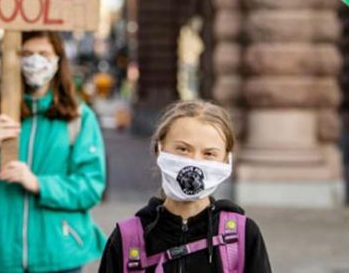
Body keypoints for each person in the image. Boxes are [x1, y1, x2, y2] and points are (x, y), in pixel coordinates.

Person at [0, 30, 107, 273]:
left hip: (60, 253)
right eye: (27, 53)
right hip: (4, 252)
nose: (34, 60)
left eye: (43, 53)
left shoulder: (79, 116)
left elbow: (91, 188)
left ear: (58, 60)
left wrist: (39, 183)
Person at [98, 100, 272, 272]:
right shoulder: (127, 239)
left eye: (209, 153)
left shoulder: (243, 237)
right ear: (160, 149)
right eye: (183, 149)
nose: (195, 161)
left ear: (226, 160)